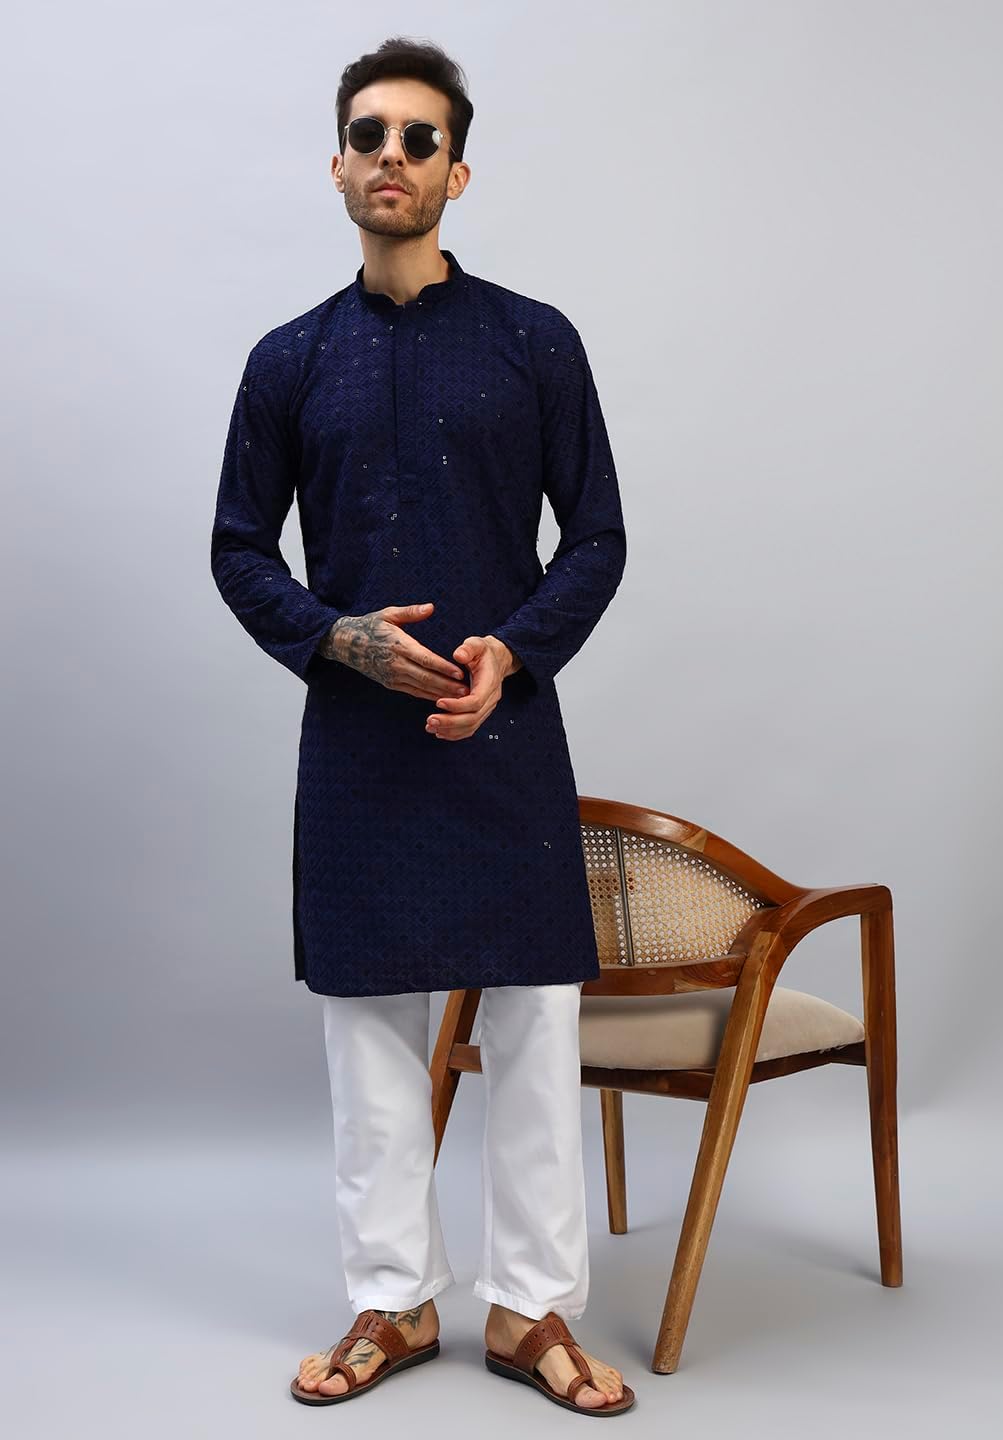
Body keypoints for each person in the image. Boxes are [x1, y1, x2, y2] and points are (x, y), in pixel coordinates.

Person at [210, 37, 633, 1415]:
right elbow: (237, 550)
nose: (391, 157)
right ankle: (392, 1302)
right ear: (336, 164)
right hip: (357, 746)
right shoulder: (289, 360)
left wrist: (515, 649)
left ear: (458, 171)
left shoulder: (533, 340)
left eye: (419, 138)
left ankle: (530, 1311)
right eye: (368, 136)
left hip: (503, 733)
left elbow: (598, 536)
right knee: (369, 1033)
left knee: (538, 1025)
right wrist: (339, 639)